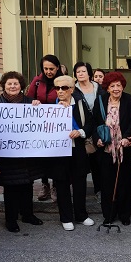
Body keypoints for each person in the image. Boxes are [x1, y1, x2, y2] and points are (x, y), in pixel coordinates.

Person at [0, 72, 45, 232]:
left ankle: (28, 214)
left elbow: (41, 124)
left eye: (15, 84)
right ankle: (10, 219)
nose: (12, 86)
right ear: (4, 86)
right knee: (10, 187)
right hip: (6, 152)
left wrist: (39, 107)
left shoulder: (31, 103)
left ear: (21, 86)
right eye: (9, 84)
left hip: (27, 153)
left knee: (28, 184)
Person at [50, 75, 95, 230]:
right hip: (59, 151)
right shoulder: (50, 107)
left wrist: (80, 132)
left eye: (64, 88)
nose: (60, 91)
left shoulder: (80, 104)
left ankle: (81, 215)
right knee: (61, 183)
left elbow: (90, 124)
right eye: (57, 88)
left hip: (78, 149)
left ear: (72, 89)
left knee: (80, 183)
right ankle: (66, 217)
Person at [93, 72, 131, 225]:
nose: (116, 88)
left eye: (119, 85)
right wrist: (97, 139)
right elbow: (95, 124)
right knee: (107, 183)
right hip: (106, 148)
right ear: (107, 88)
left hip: (123, 148)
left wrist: (127, 137)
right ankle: (109, 214)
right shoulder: (100, 101)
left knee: (123, 181)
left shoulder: (129, 100)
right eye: (113, 86)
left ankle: (125, 214)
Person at [26, 54, 63, 202]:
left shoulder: (63, 81)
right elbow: (28, 99)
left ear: (57, 68)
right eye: (46, 68)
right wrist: (33, 102)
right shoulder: (36, 81)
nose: (48, 71)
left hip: (57, 125)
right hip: (39, 125)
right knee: (42, 156)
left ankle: (55, 185)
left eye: (52, 69)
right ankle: (44, 184)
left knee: (55, 156)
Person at [73, 61, 105, 204]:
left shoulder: (99, 89)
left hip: (98, 128)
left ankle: (99, 190)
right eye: (78, 72)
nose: (80, 74)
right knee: (82, 163)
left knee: (99, 161)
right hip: (81, 130)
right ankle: (81, 194)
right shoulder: (73, 90)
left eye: (83, 71)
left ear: (89, 73)